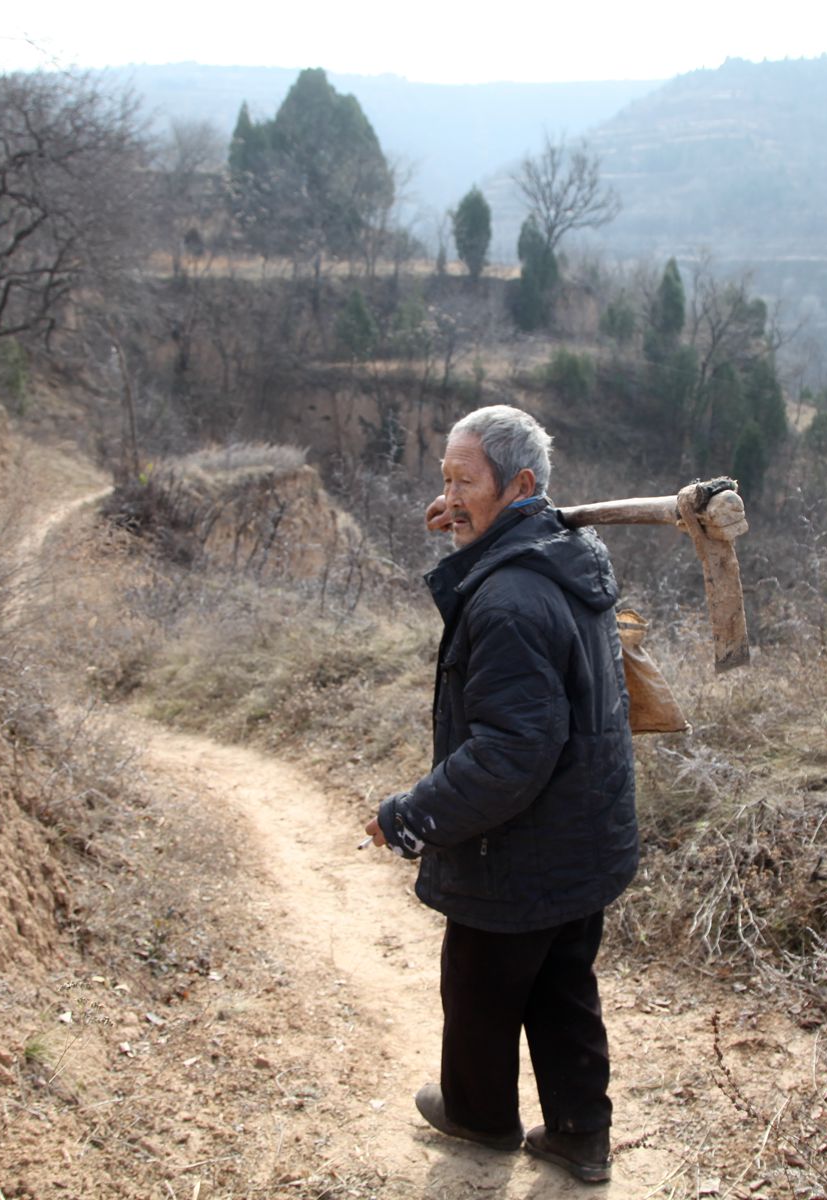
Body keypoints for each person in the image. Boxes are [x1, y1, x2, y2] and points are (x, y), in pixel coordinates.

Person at [363, 404, 636, 1185]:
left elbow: (508, 754)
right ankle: (581, 1135)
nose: (447, 495)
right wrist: (464, 525)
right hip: (582, 836)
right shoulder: (568, 550)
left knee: (480, 989)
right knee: (562, 987)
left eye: (463, 480)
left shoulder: (512, 598)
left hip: (520, 848)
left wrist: (410, 816)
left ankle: (479, 1117)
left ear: (520, 485)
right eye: (443, 478)